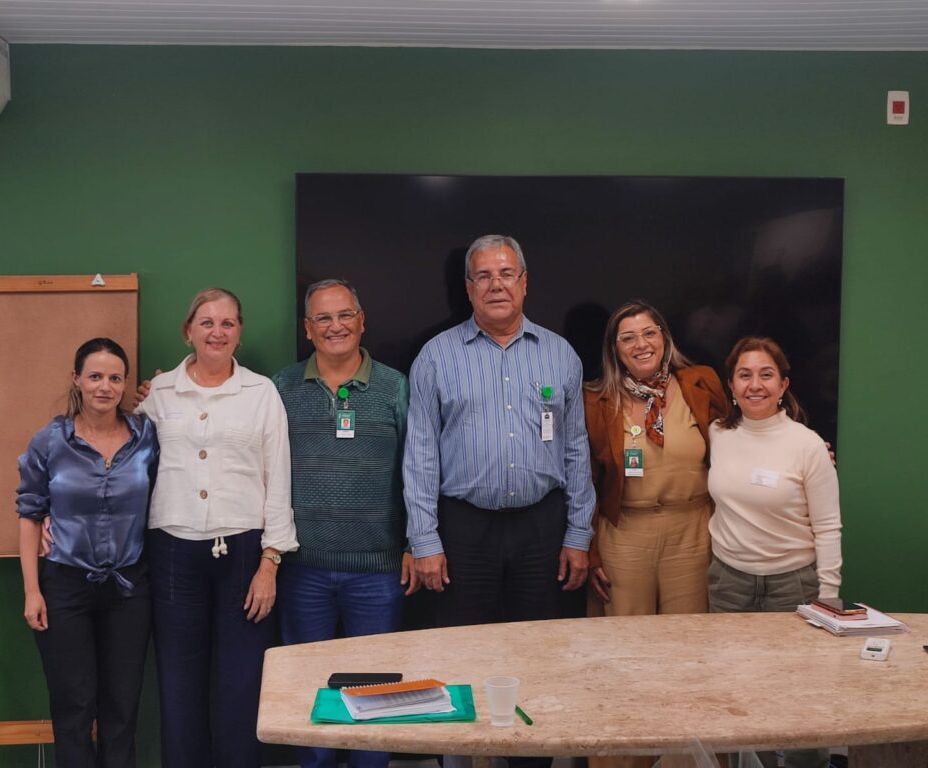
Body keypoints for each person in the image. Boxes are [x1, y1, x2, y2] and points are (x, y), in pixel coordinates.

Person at [138, 287, 298, 768]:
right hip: (172, 554)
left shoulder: (261, 392)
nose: (217, 331)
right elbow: (125, 466)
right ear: (188, 331)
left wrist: (270, 562)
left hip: (245, 555)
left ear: (239, 334)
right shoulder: (159, 395)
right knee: (179, 684)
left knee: (240, 684)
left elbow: (278, 478)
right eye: (206, 322)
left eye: (228, 323)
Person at [405, 233, 594, 626]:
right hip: (464, 531)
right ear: (469, 289)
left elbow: (576, 450)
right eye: (484, 276)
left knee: (539, 645)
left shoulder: (561, 355)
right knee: (465, 645)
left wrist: (578, 535)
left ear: (524, 283)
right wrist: (423, 540)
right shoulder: (436, 356)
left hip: (542, 528)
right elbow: (420, 455)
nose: (496, 285)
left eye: (506, 273)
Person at [272, 278, 418, 768]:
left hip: (378, 571)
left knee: (373, 700)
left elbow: (418, 471)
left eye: (344, 315)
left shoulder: (397, 387)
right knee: (310, 695)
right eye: (323, 318)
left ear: (362, 321)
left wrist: (415, 544)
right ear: (308, 330)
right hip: (302, 569)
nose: (335, 326)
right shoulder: (282, 388)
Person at [17, 338, 158, 768]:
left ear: (126, 384)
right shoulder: (50, 441)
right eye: (95, 376)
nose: (105, 386)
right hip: (65, 587)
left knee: (121, 710)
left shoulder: (146, 437)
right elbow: (29, 512)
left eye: (115, 378)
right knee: (74, 708)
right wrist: (32, 591)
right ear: (76, 379)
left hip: (130, 588)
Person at [708, 336, 840, 768]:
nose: (755, 385)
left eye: (766, 375)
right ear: (731, 385)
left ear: (784, 385)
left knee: (801, 696)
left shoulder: (808, 446)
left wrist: (829, 594)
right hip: (729, 584)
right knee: (739, 697)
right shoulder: (717, 435)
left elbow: (827, 526)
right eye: (744, 375)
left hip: (794, 587)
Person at [583, 300, 728, 625]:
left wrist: (798, 452)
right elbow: (584, 481)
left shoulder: (700, 384)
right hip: (625, 537)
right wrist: (589, 552)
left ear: (664, 338)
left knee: (687, 638)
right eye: (629, 338)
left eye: (649, 333)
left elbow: (737, 440)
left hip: (692, 533)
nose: (642, 344)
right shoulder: (595, 400)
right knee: (627, 640)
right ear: (614, 349)